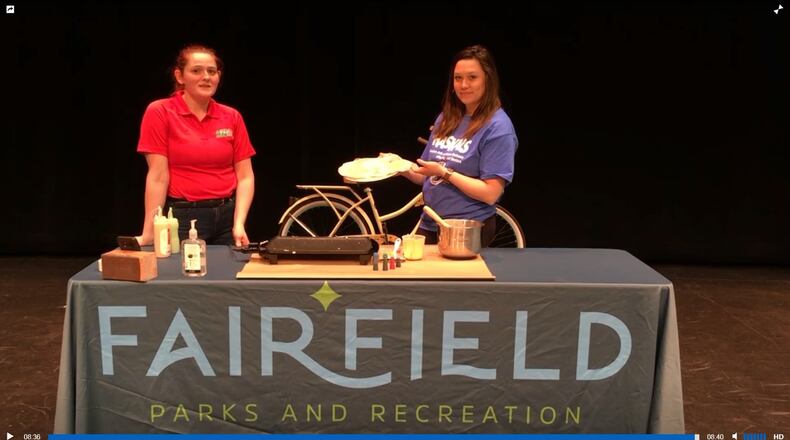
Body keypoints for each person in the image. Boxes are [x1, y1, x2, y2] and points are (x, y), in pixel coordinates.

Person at [135, 44, 255, 247]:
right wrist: (150, 231)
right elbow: (158, 177)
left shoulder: (232, 116)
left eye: (212, 71)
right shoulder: (160, 111)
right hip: (183, 219)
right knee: (185, 268)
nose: (206, 77)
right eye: (196, 71)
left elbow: (245, 176)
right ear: (179, 76)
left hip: (227, 219)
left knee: (229, 268)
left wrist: (239, 223)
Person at [400, 44, 518, 246]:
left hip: (466, 228)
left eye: (472, 77)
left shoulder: (498, 127)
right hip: (431, 222)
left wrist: (445, 173)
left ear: (488, 80)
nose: (463, 85)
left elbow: (491, 193)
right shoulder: (446, 118)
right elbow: (424, 174)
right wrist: (397, 166)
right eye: (458, 78)